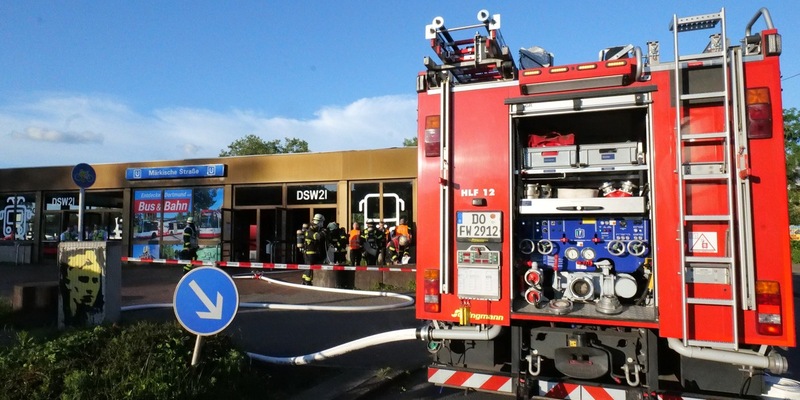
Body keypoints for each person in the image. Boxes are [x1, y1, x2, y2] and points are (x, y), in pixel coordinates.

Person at [302, 214, 326, 285]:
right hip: (310, 254)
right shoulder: (309, 232)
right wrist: (323, 232)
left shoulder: (311, 230)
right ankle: (307, 281)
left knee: (308, 267)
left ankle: (304, 279)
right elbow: (317, 236)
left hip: (312, 253)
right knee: (310, 268)